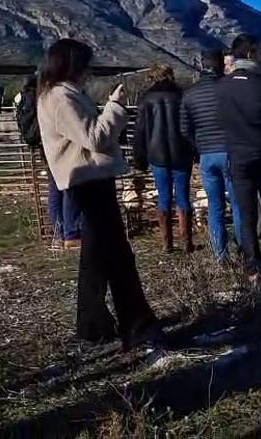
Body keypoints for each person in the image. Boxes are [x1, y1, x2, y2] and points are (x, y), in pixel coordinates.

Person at [36, 39, 163, 349]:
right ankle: (134, 322)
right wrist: (115, 106)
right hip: (88, 182)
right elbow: (95, 136)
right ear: (73, 65)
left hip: (88, 180)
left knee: (98, 257)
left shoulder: (60, 95)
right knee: (117, 256)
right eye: (86, 65)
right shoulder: (60, 98)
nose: (89, 71)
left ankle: (94, 325)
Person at [217, 34, 261, 289]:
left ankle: (252, 270)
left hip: (238, 158)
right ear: (250, 54)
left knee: (246, 215)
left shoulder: (222, 88)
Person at [181, 50, 242, 260]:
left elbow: (184, 129)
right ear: (221, 65)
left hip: (207, 154)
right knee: (237, 204)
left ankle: (220, 255)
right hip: (231, 152)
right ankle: (244, 251)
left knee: (215, 206)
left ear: (200, 64)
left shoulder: (190, 94)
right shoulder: (232, 89)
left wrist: (199, 146)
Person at [14, 74, 82, 250]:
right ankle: (71, 233)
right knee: (68, 187)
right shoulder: (48, 96)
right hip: (57, 144)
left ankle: (58, 233)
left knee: (55, 188)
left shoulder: (28, 96)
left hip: (45, 146)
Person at [133, 65, 195, 253]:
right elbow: (191, 127)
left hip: (156, 154)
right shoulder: (182, 96)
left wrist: (139, 158)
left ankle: (166, 243)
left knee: (164, 197)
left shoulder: (147, 99)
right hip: (182, 153)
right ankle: (187, 241)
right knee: (183, 197)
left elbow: (140, 132)